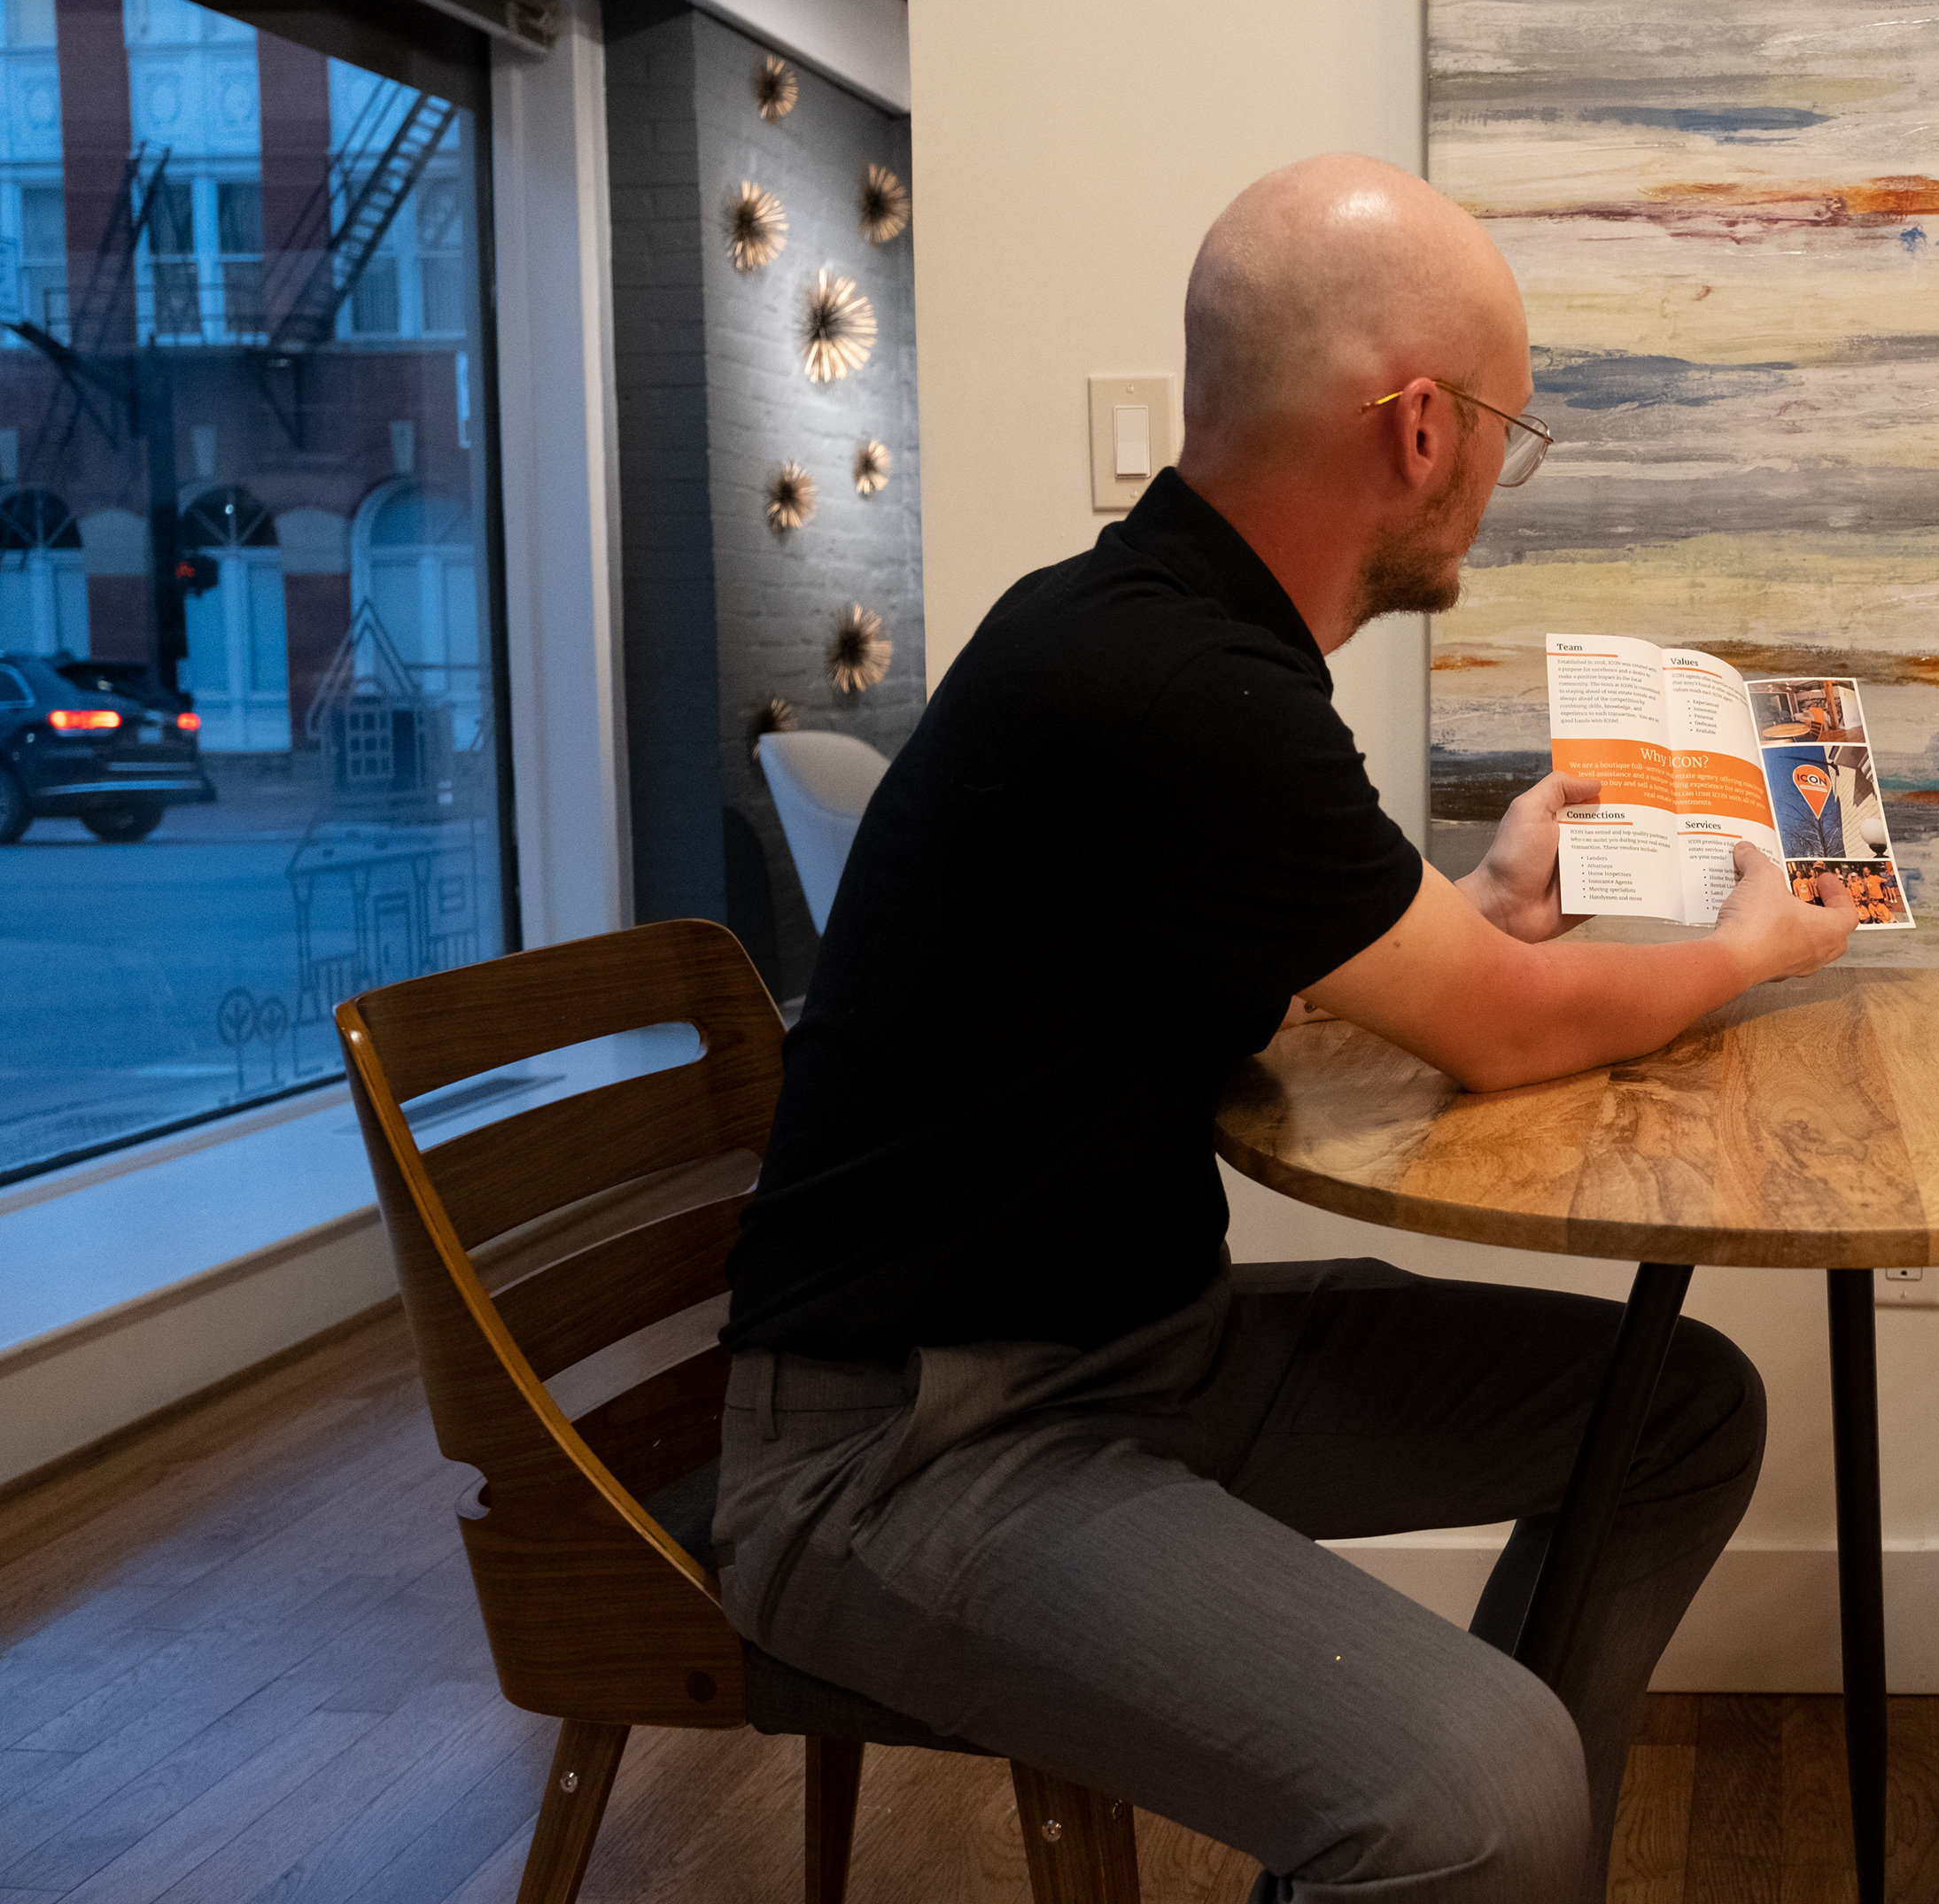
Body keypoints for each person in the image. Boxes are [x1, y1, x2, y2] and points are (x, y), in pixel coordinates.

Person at [713, 155, 1857, 1904]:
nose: (1495, 483)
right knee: (1481, 1793)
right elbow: (1509, 1033)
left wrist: (1480, 904)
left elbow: (1309, 969)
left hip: (1135, 1348)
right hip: (907, 1450)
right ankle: (1475, 1852)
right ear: (1422, 425)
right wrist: (1748, 945)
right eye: (1507, 434)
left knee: (1672, 1411)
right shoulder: (1182, 687)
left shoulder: (1149, 634)